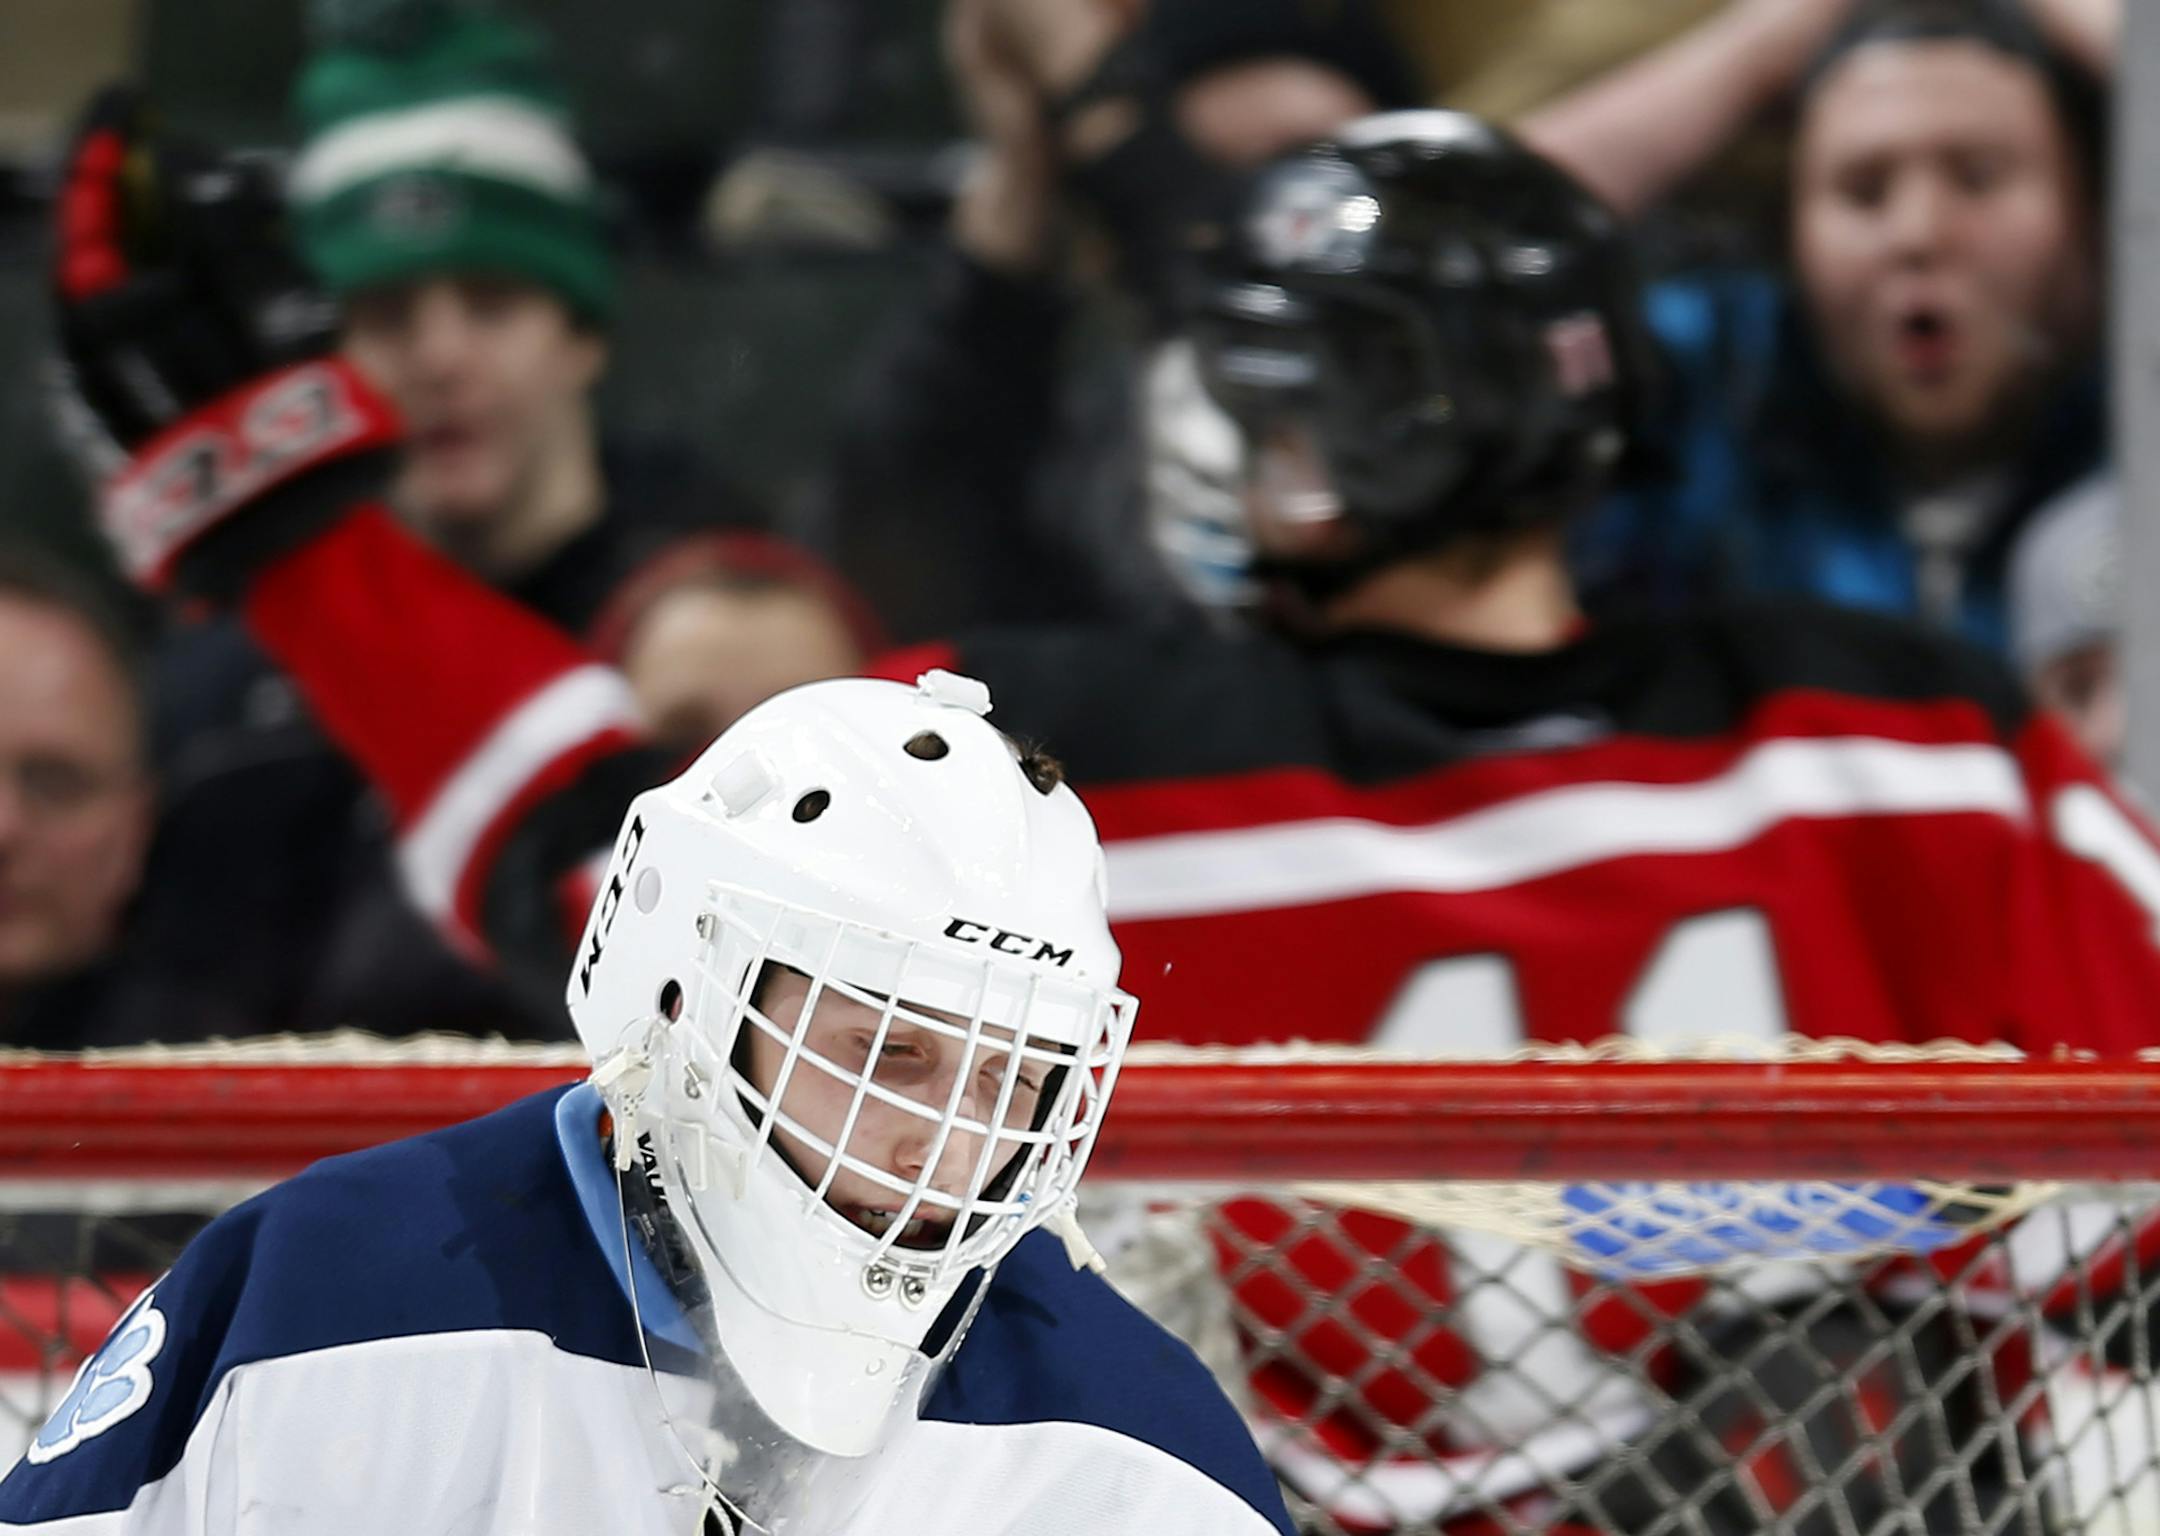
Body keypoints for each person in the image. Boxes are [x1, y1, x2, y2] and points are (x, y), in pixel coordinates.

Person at [860, 110, 2160, 1530]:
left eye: (1276, 399)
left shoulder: (1052, 756)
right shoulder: (1901, 737)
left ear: (1392, 425)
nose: (1229, 434)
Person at [0, 672, 1295, 1534]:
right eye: (890, 1053)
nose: (952, 1145)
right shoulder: (326, 1300)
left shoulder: (1142, 1456)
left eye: (1016, 1079)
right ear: (682, 990)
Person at [1513, 0, 2111, 649]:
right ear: (1791, 228)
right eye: (1863, 190)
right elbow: (1464, 241)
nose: (1918, 233)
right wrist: (1766, 45)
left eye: (1978, 178)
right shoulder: (1717, 374)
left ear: (2089, 212)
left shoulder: (2132, 410)